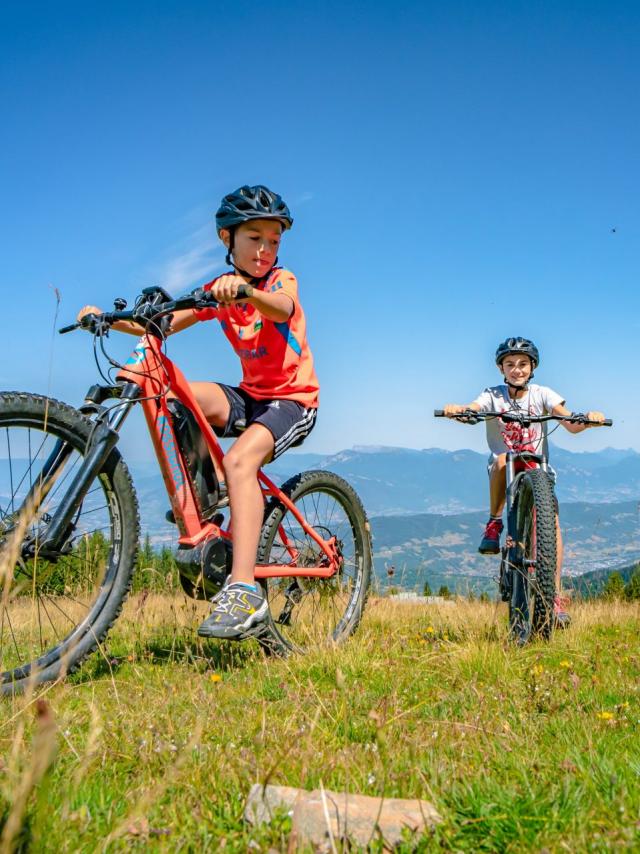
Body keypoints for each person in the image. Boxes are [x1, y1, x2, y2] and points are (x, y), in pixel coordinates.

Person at [77, 184, 319, 639]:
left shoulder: (277, 282)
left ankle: (245, 590)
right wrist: (108, 320)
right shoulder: (216, 291)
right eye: (254, 238)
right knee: (172, 394)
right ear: (227, 239)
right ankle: (205, 499)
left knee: (239, 461)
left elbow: (283, 308)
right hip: (250, 395)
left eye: (274, 240)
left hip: (293, 401)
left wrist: (245, 291)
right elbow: (161, 323)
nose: (265, 249)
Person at [441, 337, 606, 625]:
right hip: (505, 466)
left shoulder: (543, 394)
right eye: (510, 364)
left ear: (532, 368)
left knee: (552, 526)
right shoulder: (493, 394)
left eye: (523, 364)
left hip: (537, 469)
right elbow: (475, 409)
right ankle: (494, 521)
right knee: (502, 458)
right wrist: (459, 411)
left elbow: (568, 421)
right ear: (501, 369)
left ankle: (553, 595)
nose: (517, 369)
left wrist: (589, 419)